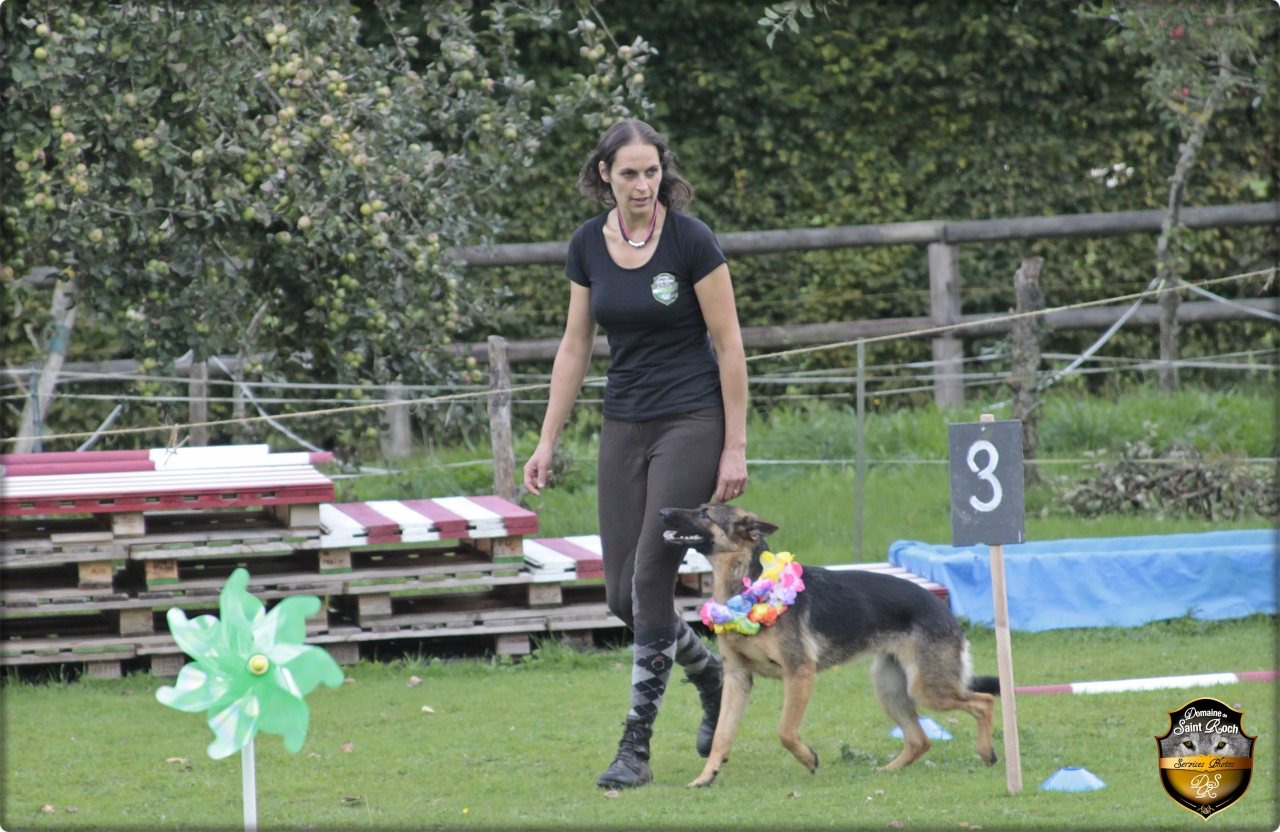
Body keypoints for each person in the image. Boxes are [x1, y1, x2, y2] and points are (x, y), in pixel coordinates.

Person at [523, 119, 749, 788]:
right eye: (629, 173)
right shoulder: (586, 245)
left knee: (651, 577)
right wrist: (547, 439)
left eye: (651, 171)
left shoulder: (691, 239)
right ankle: (711, 677)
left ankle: (635, 749)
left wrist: (734, 446)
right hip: (624, 422)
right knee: (621, 594)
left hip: (692, 420)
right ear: (605, 175)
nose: (643, 185)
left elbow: (730, 346)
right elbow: (574, 346)